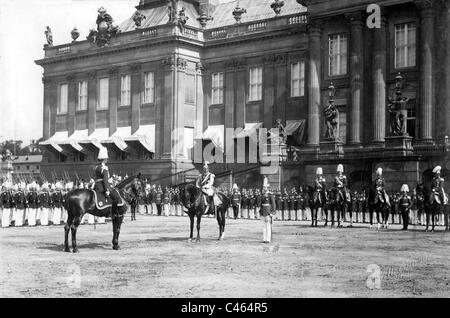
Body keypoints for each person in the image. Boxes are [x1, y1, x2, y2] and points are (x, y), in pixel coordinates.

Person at [93, 147, 120, 217]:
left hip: (96, 186)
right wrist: (107, 189)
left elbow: (96, 178)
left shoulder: (97, 167)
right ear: (104, 159)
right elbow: (105, 180)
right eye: (106, 159)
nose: (107, 160)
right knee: (115, 197)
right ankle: (113, 213)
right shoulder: (105, 168)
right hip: (102, 187)